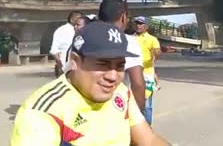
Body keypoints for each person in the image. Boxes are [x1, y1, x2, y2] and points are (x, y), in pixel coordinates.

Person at [10, 22, 171, 146]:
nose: (113, 76)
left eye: (119, 66)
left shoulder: (121, 92)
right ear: (75, 62)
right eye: (103, 64)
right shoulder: (43, 113)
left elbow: (149, 140)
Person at [98, 0, 146, 111]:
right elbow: (138, 83)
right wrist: (137, 116)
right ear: (123, 16)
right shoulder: (128, 41)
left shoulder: (84, 38)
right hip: (115, 109)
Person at [134, 16, 161, 125]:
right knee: (134, 102)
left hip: (147, 74)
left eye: (141, 23)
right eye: (137, 23)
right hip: (134, 73)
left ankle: (147, 128)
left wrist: (155, 52)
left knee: (147, 104)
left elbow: (158, 52)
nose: (138, 25)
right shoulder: (131, 38)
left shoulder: (152, 39)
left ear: (146, 26)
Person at [50, 11, 83, 77]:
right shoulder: (61, 30)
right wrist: (60, 67)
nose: (80, 20)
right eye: (78, 18)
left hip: (79, 69)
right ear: (71, 19)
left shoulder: (83, 30)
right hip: (65, 68)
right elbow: (54, 51)